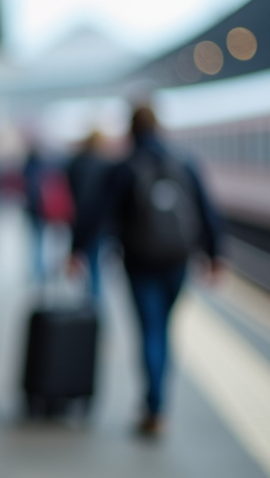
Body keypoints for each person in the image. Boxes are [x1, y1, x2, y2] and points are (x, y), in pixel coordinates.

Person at [71, 105, 222, 438]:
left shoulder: (124, 168)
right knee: (165, 329)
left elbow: (98, 213)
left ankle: (154, 408)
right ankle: (158, 403)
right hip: (178, 260)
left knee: (150, 330)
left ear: (131, 130)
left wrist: (77, 250)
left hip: (139, 261)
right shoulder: (185, 162)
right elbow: (207, 210)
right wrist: (214, 256)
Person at [66, 131, 112, 306]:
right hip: (103, 225)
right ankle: (95, 310)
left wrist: (75, 245)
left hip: (82, 222)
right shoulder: (107, 164)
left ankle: (93, 309)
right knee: (96, 269)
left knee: (91, 269)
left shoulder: (76, 164)